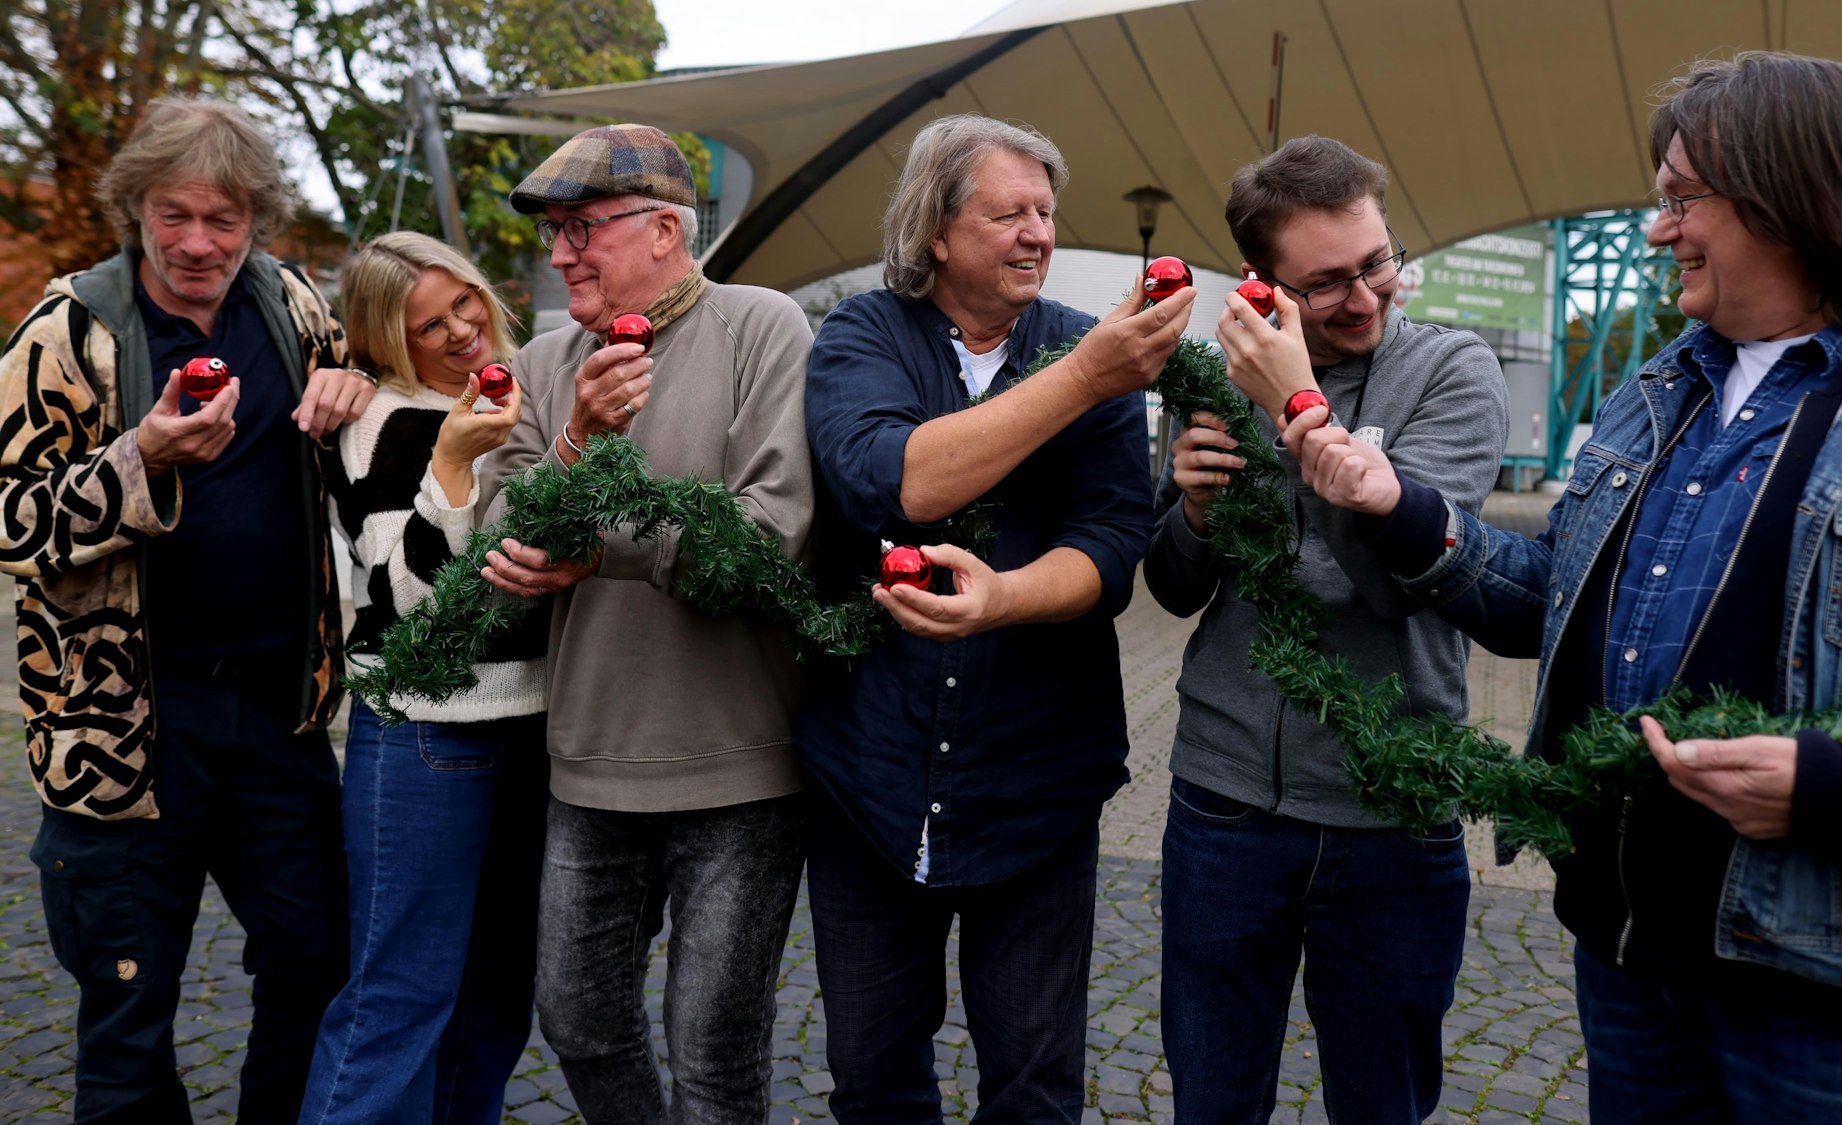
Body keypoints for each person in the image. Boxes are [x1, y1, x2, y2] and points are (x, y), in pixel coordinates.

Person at [1296, 52, 1842, 1122]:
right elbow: (1552, 602)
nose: (1655, 229)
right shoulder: (1655, 387)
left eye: (1678, 199)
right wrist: (1399, 506)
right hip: (1627, 957)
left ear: (1789, 195)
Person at [799, 113, 1192, 1123]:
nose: (1037, 233)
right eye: (1007, 212)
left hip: (1037, 786)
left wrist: (1005, 599)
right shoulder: (859, 334)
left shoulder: (1079, 344)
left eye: (1046, 213)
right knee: (873, 1079)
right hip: (870, 784)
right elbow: (893, 484)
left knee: (1034, 1084)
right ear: (935, 229)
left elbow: (1111, 549)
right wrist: (1089, 376)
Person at [0, 97, 376, 1122]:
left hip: (277, 715)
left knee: (315, 967)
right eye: (176, 216)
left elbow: (384, 394)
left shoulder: (296, 309)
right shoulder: (69, 329)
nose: (200, 243)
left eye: (225, 219)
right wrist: (138, 461)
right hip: (123, 731)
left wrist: (355, 384)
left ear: (257, 218)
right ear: (136, 210)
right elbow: (8, 520)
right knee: (128, 1008)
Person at [1143, 134, 1504, 1124]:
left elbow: (1405, 584)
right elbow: (1172, 590)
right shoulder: (1213, 381)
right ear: (1262, 284)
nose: (1366, 297)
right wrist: (1197, 514)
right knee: (1211, 1097)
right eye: (1327, 282)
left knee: (1381, 1101)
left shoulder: (1449, 370)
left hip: (1391, 809)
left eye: (1376, 262)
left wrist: (1292, 404)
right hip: (1223, 803)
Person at [476, 123, 815, 1123]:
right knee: (577, 1022)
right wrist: (579, 440)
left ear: (665, 228)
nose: (558, 251)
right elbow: (499, 543)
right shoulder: (544, 364)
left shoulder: (761, 326)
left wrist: (598, 540)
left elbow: (769, 537)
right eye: (553, 231)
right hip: (586, 763)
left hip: (742, 766)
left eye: (582, 226)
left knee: (712, 1052)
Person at [300, 231, 551, 1123]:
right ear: (384, 340)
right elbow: (407, 604)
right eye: (426, 324)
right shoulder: (380, 421)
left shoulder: (532, 391)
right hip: (425, 732)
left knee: (494, 1000)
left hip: (537, 731)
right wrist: (451, 464)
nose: (459, 330)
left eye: (465, 302)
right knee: (397, 1001)